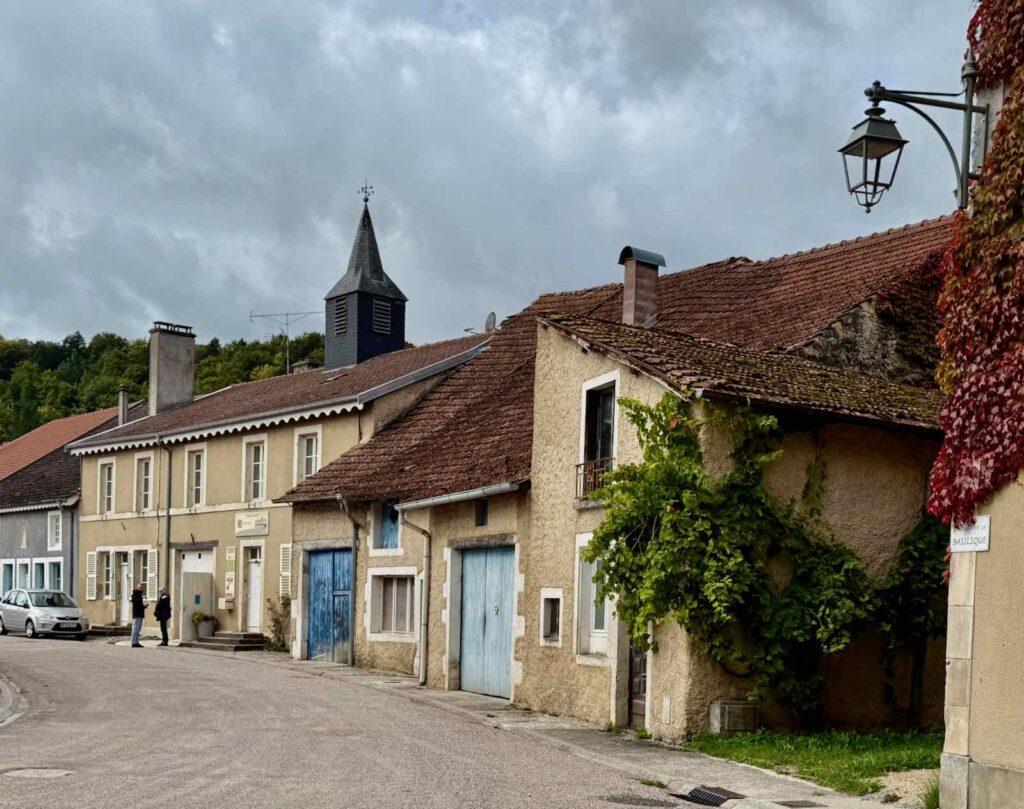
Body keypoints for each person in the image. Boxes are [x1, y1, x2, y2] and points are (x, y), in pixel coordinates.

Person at [130, 583, 146, 648]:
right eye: (140, 588)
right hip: (137, 613)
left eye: (142, 588)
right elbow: (135, 603)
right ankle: (133, 642)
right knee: (135, 628)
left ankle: (136, 642)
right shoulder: (134, 594)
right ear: (137, 588)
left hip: (140, 613)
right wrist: (141, 599)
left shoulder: (140, 595)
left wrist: (144, 606)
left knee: (138, 629)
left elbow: (140, 604)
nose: (141, 589)